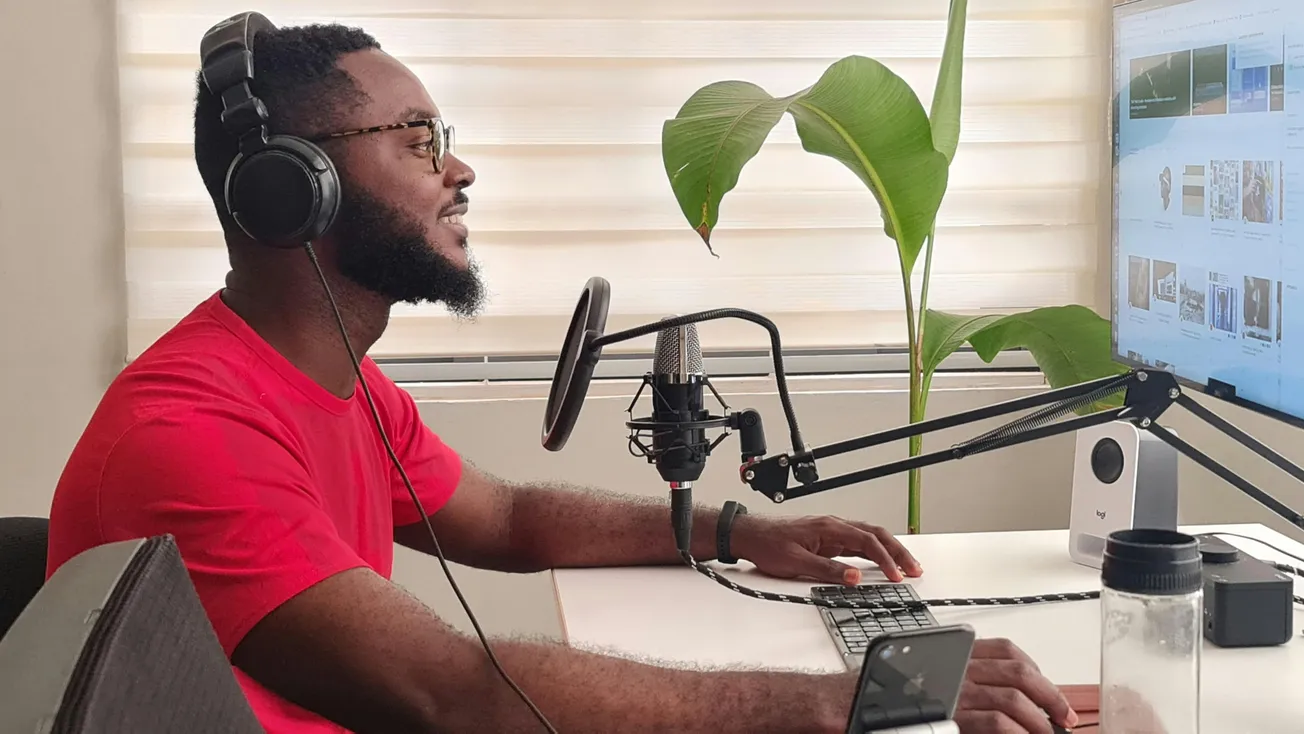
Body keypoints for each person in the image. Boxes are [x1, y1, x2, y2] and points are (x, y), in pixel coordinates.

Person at [46, 19, 1091, 734]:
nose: (458, 169)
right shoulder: (190, 431)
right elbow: (454, 693)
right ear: (291, 190)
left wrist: (737, 531)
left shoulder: (330, 382)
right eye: (415, 141)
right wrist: (847, 696)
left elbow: (499, 515)